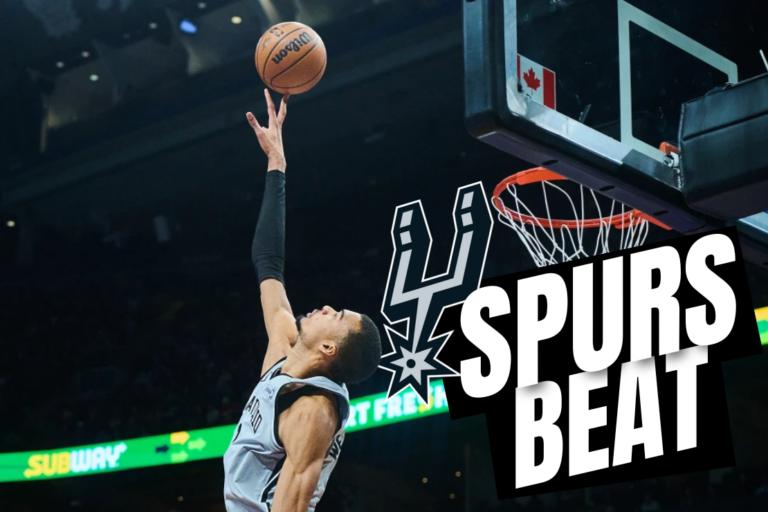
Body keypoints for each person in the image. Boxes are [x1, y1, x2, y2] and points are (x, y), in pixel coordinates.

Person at [223, 89, 382, 511]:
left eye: (339, 315)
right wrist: (277, 165)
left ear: (329, 348)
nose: (328, 306)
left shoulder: (314, 411)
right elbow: (268, 264)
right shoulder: (284, 354)